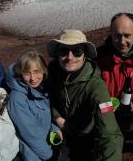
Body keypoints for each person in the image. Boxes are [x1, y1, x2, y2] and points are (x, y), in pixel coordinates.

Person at [47, 29, 123, 161]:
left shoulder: (96, 86)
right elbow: (45, 97)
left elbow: (109, 131)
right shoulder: (53, 70)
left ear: (85, 54)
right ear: (58, 53)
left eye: (77, 51)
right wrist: (56, 116)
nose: (70, 57)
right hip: (61, 129)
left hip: (84, 136)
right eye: (64, 51)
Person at [95, 13, 133, 132]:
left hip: (126, 116)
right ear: (111, 33)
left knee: (120, 137)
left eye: (127, 36)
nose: (122, 41)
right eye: (117, 35)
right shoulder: (98, 57)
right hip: (101, 115)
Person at [6, 50, 61, 161]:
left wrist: (53, 128)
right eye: (27, 73)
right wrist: (50, 157)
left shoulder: (40, 89)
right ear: (20, 72)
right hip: (34, 154)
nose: (33, 78)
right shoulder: (17, 98)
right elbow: (30, 136)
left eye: (37, 71)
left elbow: (44, 117)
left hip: (46, 145)